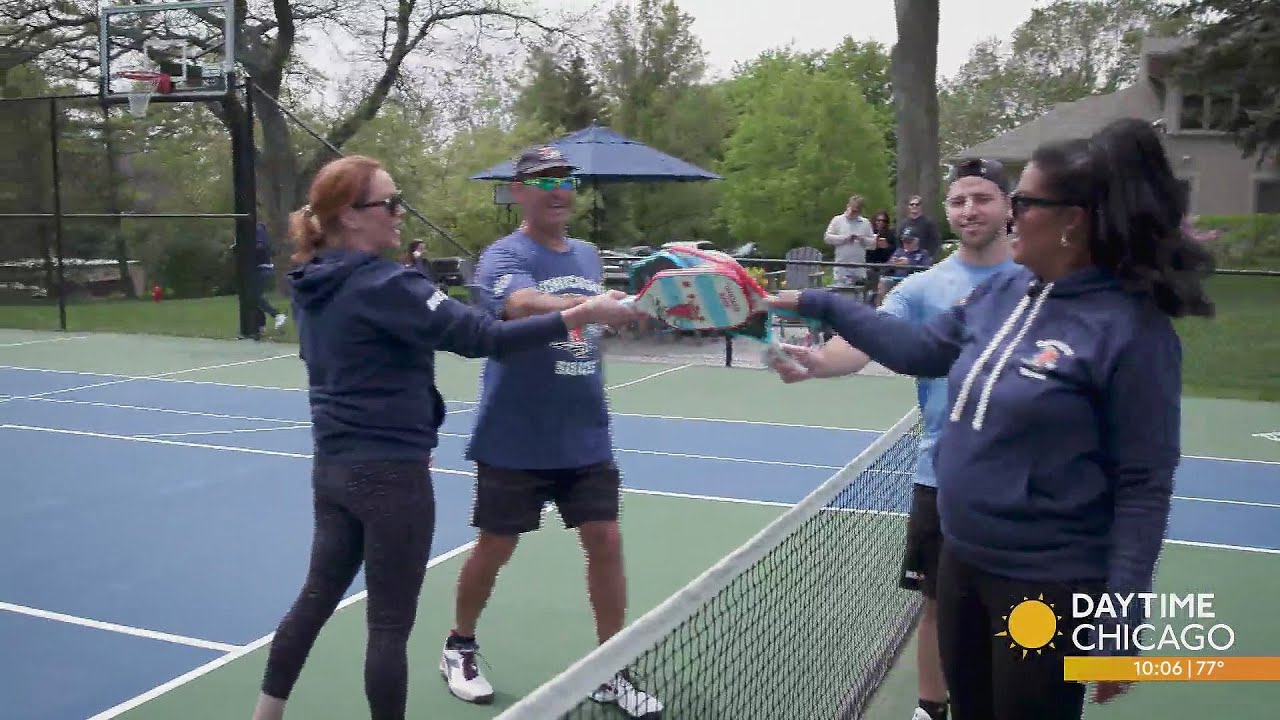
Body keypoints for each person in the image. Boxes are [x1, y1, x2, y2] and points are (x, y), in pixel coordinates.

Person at [770, 118, 1215, 720]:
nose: (1010, 215)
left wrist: (1120, 621)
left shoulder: (1131, 331)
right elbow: (918, 350)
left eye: (1025, 202)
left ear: (1072, 221)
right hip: (962, 560)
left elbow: (1144, 485)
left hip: (1048, 584)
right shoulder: (1002, 293)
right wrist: (818, 302)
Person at [250, 154, 638, 720]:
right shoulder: (388, 283)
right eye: (389, 203)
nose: (399, 212)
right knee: (388, 626)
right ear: (352, 217)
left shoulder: (310, 283)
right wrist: (580, 313)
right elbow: (485, 336)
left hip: (333, 469)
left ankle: (266, 714)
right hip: (390, 475)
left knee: (314, 600)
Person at [770, 157, 1020, 720]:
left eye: (982, 198)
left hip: (1020, 483)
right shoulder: (921, 287)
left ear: (1008, 206)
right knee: (938, 607)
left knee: (1019, 609)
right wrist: (818, 361)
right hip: (941, 477)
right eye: (958, 200)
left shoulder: (1037, 280)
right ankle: (932, 709)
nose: (969, 210)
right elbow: (865, 342)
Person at [440, 146, 662, 718]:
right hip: (516, 434)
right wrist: (589, 306)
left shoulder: (587, 253)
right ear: (519, 190)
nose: (558, 189)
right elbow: (518, 304)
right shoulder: (502, 256)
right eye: (544, 180)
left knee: (606, 541)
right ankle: (459, 645)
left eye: (566, 178)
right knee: (496, 546)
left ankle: (611, 669)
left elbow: (594, 322)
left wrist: (629, 311)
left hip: (584, 432)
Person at [824, 194, 876, 286]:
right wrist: (844, 238)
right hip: (841, 266)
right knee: (841, 291)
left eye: (855, 211)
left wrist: (862, 239)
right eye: (851, 209)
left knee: (858, 293)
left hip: (859, 266)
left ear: (860, 211)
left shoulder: (865, 223)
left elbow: (872, 244)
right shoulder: (837, 220)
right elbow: (827, 238)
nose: (851, 212)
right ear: (847, 206)